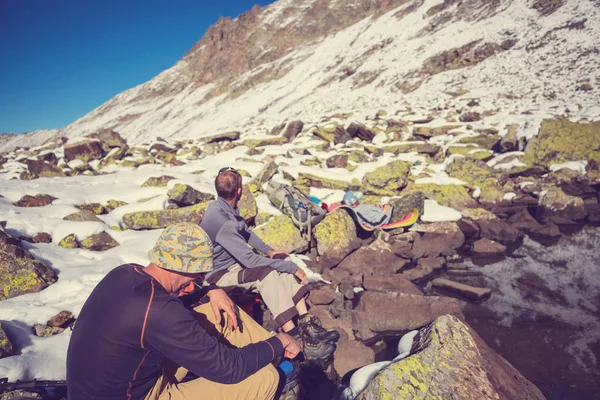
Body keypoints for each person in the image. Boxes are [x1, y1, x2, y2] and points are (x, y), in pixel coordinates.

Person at [66, 222, 300, 400]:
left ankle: (282, 362)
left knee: (221, 314)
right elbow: (229, 368)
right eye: (200, 274)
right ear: (185, 268)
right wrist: (279, 341)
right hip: (140, 394)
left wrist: (209, 290)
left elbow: (160, 315)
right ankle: (279, 376)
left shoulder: (126, 272)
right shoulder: (159, 311)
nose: (200, 279)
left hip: (126, 379)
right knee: (264, 379)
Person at [200, 167, 339, 360]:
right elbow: (250, 260)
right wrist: (293, 268)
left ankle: (307, 325)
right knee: (266, 273)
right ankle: (294, 337)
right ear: (239, 191)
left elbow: (245, 232)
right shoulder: (224, 223)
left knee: (282, 259)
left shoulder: (221, 207)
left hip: (235, 264)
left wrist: (270, 251)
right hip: (218, 276)